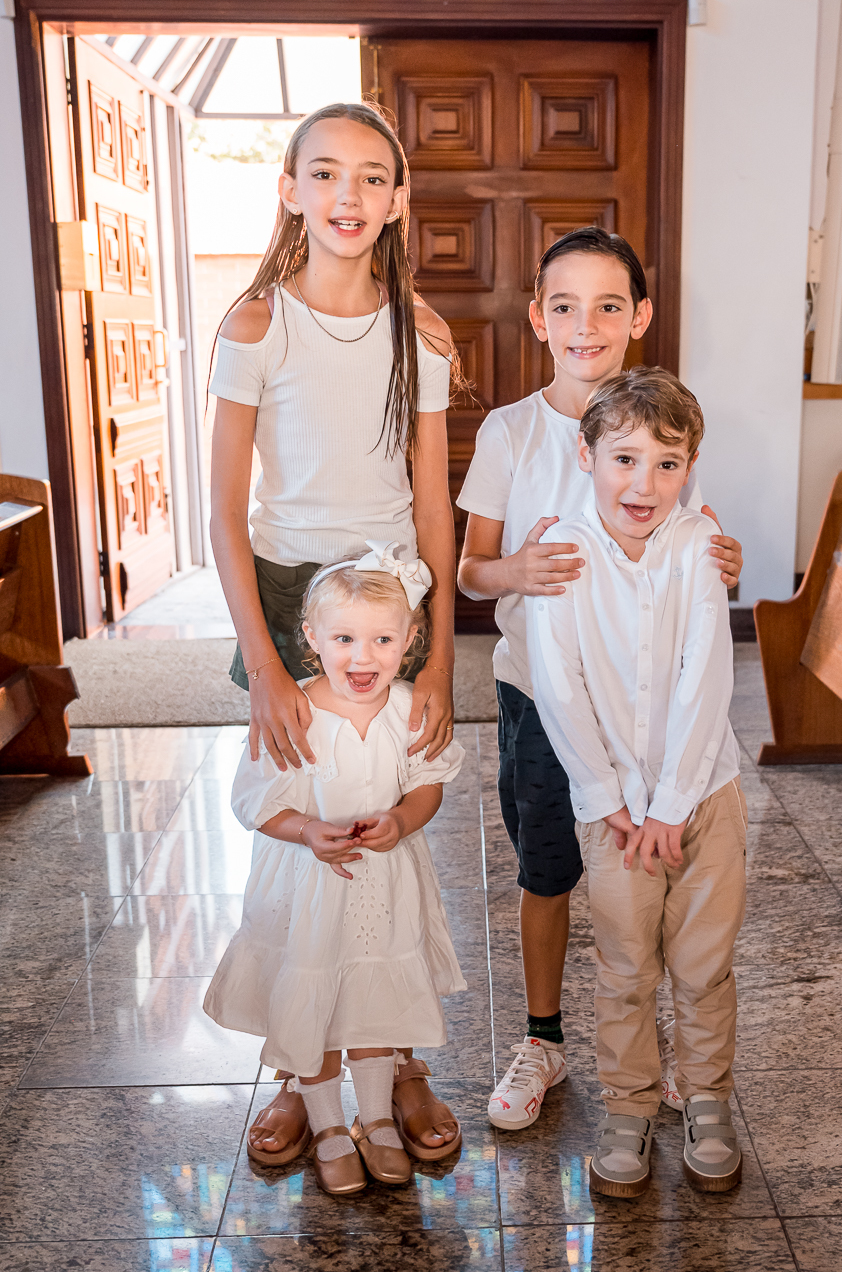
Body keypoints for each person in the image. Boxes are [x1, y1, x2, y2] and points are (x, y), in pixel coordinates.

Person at [208, 102, 461, 1163]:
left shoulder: (422, 331)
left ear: (397, 199)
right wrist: (269, 666)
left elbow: (433, 498)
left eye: (370, 176)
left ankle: (394, 1056)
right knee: (305, 831)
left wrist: (441, 657)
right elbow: (223, 513)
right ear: (290, 190)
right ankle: (299, 1066)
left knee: (389, 817)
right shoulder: (256, 324)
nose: (347, 195)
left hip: (395, 595)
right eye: (324, 173)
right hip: (287, 593)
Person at [456, 228, 743, 1130]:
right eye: (567, 306)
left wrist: (722, 558)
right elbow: (469, 570)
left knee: (653, 883)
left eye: (609, 305)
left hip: (646, 704)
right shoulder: (510, 431)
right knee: (548, 869)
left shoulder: (663, 425)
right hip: (543, 694)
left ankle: (657, 1060)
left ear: (639, 317)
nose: (588, 325)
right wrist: (517, 570)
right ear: (539, 319)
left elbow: (688, 543)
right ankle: (543, 1040)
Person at [527, 369, 747, 1198]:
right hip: (614, 812)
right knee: (624, 966)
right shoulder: (562, 554)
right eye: (624, 459)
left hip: (705, 797)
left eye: (666, 464)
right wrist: (610, 798)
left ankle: (708, 1098)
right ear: (586, 456)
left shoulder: (697, 546)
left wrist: (673, 804)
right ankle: (628, 1105)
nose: (643, 485)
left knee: (704, 963)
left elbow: (704, 678)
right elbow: (561, 686)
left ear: (690, 468)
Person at [204, 548, 466, 1194]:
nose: (362, 657)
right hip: (307, 889)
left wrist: (402, 819)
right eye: (344, 639)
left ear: (410, 640)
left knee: (372, 1003)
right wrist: (305, 829)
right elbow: (257, 802)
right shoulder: (293, 711)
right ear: (312, 638)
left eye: (382, 640)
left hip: (384, 887)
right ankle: (325, 1124)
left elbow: (428, 784)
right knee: (312, 1001)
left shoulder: (409, 708)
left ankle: (375, 1120)